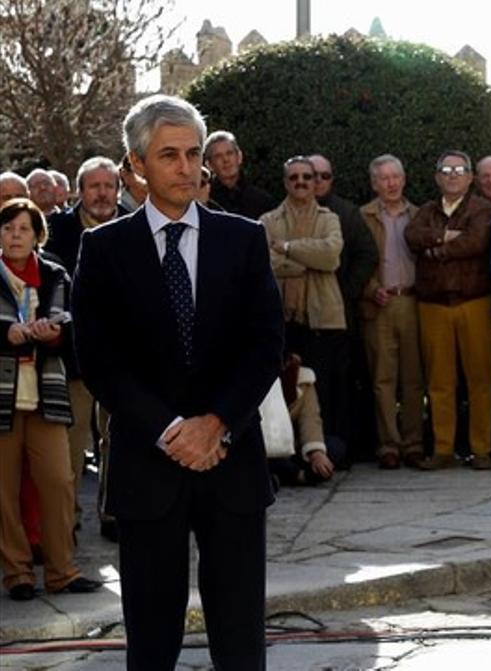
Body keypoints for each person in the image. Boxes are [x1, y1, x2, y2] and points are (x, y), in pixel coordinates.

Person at [72, 94, 284, 669]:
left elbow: (265, 344)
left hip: (231, 460)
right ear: (136, 165)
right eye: (169, 155)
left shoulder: (242, 239)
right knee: (151, 639)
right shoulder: (103, 248)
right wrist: (170, 430)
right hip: (148, 464)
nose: (187, 167)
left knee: (241, 637)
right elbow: (98, 358)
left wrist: (216, 424)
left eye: (194, 154)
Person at [0, 198, 101, 601]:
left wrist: (52, 334)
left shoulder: (55, 274)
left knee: (59, 482)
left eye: (23, 228)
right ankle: (17, 573)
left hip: (46, 393)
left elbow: (69, 326)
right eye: (7, 229)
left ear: (37, 235)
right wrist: (5, 333)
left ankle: (62, 570)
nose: (15, 236)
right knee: (3, 491)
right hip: (4, 395)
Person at [44, 156, 125, 541]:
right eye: (94, 186)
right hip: (73, 355)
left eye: (108, 186)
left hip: (124, 357)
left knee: (118, 437)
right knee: (71, 441)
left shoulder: (134, 226)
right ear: (79, 191)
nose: (102, 193)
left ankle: (113, 512)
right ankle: (67, 519)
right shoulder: (57, 230)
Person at [405, 151, 491, 470]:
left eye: (460, 170)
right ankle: (443, 449)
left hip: (475, 303)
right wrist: (444, 236)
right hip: (433, 305)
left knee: (479, 379)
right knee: (439, 381)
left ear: (471, 177)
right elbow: (412, 236)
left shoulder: (482, 208)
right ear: (437, 177)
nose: (453, 175)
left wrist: (436, 250)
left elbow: (476, 242)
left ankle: (481, 449)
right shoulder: (427, 211)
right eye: (446, 170)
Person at [261, 157, 348, 446]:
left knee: (325, 387)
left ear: (316, 182)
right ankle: (289, 450)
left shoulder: (329, 218)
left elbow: (331, 256)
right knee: (286, 386)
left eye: (307, 177)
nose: (301, 182)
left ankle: (326, 450)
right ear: (286, 182)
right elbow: (267, 263)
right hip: (283, 318)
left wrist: (287, 248)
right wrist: (309, 262)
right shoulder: (267, 221)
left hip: (323, 316)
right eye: (294, 177)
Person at [359, 154, 425, 469]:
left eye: (395, 176)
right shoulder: (364, 216)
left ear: (404, 178)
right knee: (383, 378)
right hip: (380, 304)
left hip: (413, 301)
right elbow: (356, 260)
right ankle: (388, 445)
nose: (391, 183)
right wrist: (372, 289)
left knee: (414, 378)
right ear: (374, 184)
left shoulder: (420, 215)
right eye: (384, 178)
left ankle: (413, 442)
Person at [310, 153, 378, 457]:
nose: (316, 182)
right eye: (311, 176)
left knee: (343, 383)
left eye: (324, 176)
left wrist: (345, 291)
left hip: (340, 315)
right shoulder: (281, 214)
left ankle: (343, 447)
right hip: (301, 317)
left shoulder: (347, 214)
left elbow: (367, 254)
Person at [266, 354, 343, 486]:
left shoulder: (303, 379)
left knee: (335, 446)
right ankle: (295, 476)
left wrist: (316, 453)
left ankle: (294, 474)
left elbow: (311, 419)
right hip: (267, 446)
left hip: (291, 446)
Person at [203, 130, 275, 220]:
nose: (225, 160)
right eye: (218, 156)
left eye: (229, 153)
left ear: (239, 157)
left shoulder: (262, 200)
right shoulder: (204, 201)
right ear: (209, 165)